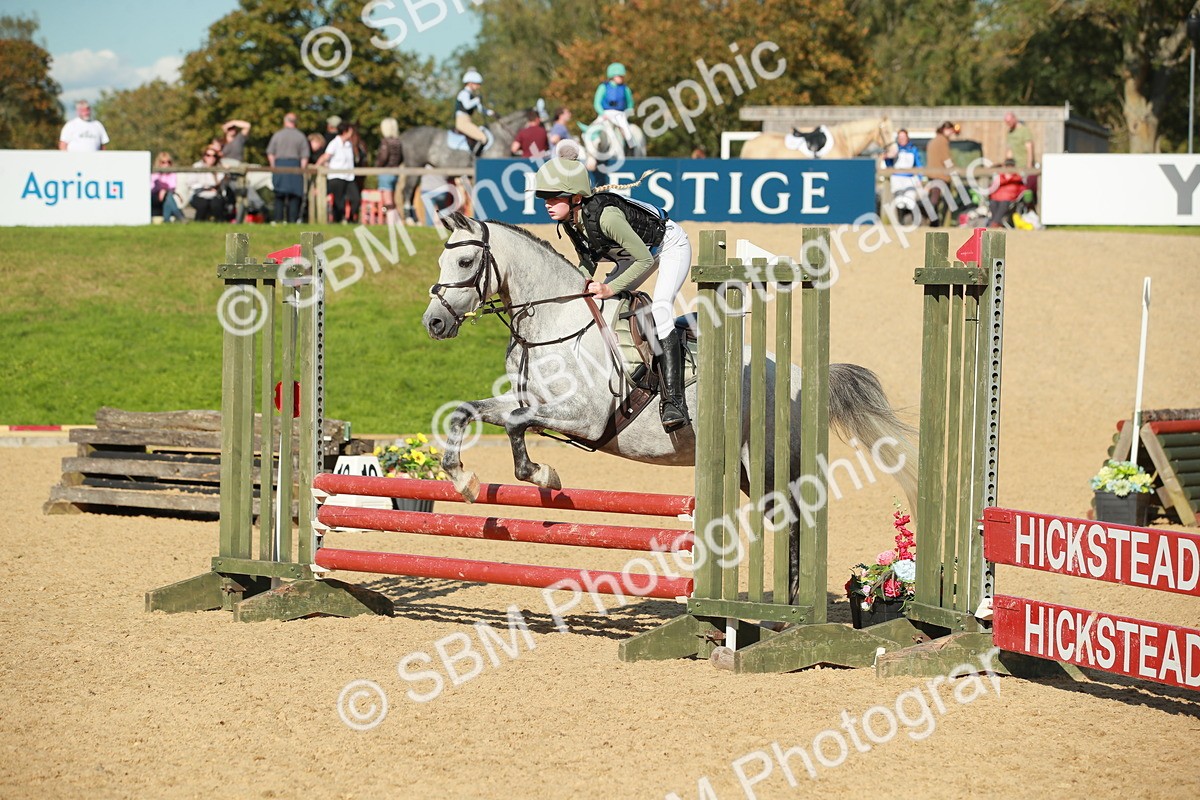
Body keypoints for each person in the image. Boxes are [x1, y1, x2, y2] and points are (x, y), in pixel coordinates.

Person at [532, 157, 692, 432]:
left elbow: (643, 259)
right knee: (596, 302)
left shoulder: (607, 217)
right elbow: (587, 264)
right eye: (545, 197)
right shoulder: (571, 221)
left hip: (668, 246)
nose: (547, 202)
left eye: (553, 196)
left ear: (576, 198)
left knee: (662, 308)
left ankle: (674, 400)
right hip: (636, 255)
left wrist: (609, 288)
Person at [266, 112, 309, 223]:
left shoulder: (277, 135)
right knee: (294, 196)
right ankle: (292, 220)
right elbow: (304, 156)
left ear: (285, 121)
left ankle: (278, 219)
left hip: (279, 165)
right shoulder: (301, 136)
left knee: (279, 195)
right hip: (295, 166)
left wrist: (273, 166)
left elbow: (270, 153)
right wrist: (302, 170)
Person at [317, 121, 360, 223]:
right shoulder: (334, 143)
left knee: (356, 199)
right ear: (345, 132)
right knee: (338, 202)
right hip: (336, 176)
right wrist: (317, 166)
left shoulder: (349, 145)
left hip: (349, 177)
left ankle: (350, 219)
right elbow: (326, 156)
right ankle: (337, 221)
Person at [454, 69, 495, 156]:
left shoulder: (472, 95)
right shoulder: (464, 93)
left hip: (468, 120)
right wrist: (476, 100)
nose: (478, 87)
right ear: (470, 83)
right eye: (477, 84)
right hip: (462, 122)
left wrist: (489, 112)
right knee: (483, 138)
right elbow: (467, 106)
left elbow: (480, 109)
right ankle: (475, 158)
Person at [924, 121, 956, 226]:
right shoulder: (942, 141)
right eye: (950, 130)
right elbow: (946, 159)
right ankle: (935, 222)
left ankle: (934, 221)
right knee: (938, 200)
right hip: (940, 175)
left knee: (934, 198)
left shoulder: (933, 141)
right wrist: (953, 170)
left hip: (932, 174)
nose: (951, 133)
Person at [884, 129, 923, 215]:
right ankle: (901, 222)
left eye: (903, 137)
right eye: (900, 137)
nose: (901, 139)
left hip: (909, 179)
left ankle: (911, 222)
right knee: (899, 202)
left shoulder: (913, 149)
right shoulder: (894, 149)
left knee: (910, 201)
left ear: (907, 137)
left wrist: (920, 177)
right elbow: (889, 165)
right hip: (897, 179)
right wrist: (887, 157)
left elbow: (918, 164)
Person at [593, 63, 634, 143]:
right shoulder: (603, 87)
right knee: (593, 129)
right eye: (619, 76)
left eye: (622, 76)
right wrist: (602, 113)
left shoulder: (625, 89)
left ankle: (631, 148)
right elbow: (597, 103)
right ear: (612, 76)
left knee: (628, 133)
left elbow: (630, 104)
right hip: (605, 113)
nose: (622, 78)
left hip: (620, 114)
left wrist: (626, 114)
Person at [1004, 111, 1037, 206]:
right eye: (1006, 122)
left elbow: (1029, 148)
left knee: (1026, 191)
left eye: (1009, 121)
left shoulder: (1024, 131)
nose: (1008, 124)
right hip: (1014, 167)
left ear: (1015, 119)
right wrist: (1006, 165)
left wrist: (1029, 165)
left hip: (1024, 165)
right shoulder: (1009, 133)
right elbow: (1009, 150)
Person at [376, 117, 404, 226]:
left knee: (387, 200)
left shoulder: (385, 142)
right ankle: (396, 221)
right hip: (395, 172)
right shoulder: (398, 142)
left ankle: (392, 222)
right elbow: (401, 157)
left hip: (386, 172)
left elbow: (383, 157)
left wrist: (377, 166)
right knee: (392, 198)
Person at [190, 146, 228, 222]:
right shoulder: (197, 166)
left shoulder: (219, 168)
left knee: (216, 205)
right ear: (204, 156)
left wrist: (225, 170)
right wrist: (206, 187)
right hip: (199, 194)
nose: (211, 158)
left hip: (215, 195)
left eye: (214, 156)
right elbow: (191, 183)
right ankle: (197, 225)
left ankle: (221, 225)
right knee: (202, 205)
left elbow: (220, 182)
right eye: (208, 155)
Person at [986, 159, 1026, 228]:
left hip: (1009, 200)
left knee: (1004, 204)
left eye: (1011, 165)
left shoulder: (1018, 178)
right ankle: (996, 222)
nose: (1009, 167)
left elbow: (1022, 190)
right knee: (993, 203)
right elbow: (992, 188)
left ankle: (995, 223)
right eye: (1007, 165)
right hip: (996, 198)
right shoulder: (999, 177)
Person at [151, 151, 186, 222]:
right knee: (168, 196)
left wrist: (164, 190)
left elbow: (172, 187)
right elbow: (152, 188)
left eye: (168, 162)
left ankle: (167, 220)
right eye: (163, 162)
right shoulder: (154, 173)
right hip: (154, 196)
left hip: (167, 195)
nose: (166, 164)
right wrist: (161, 190)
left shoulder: (172, 174)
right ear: (159, 163)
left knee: (168, 196)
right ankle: (179, 216)